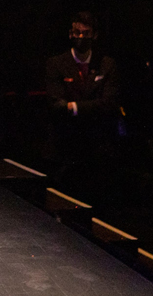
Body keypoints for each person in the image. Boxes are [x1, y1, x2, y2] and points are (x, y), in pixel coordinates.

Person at [44, 11, 120, 192]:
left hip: (96, 150)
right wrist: (91, 107)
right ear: (70, 34)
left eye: (85, 33)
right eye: (77, 33)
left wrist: (74, 106)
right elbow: (56, 105)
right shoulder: (56, 64)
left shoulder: (107, 64)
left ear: (94, 35)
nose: (81, 37)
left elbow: (109, 104)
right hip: (64, 149)